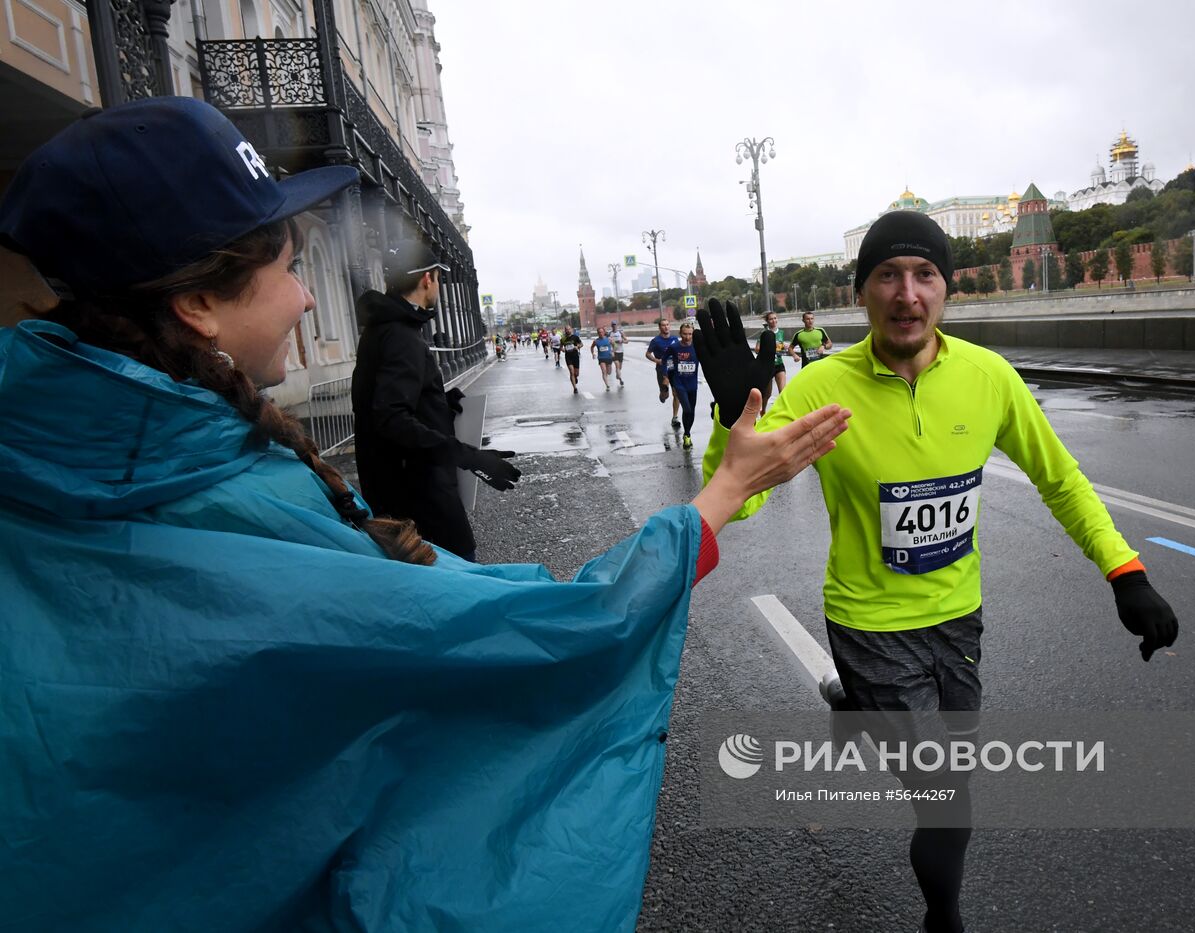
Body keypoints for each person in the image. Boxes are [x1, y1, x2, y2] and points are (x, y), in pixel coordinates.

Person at [0, 97, 851, 931]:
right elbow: (541, 633)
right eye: (289, 270)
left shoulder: (45, 470)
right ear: (198, 307)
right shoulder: (230, 503)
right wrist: (720, 495)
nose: (304, 300)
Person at [695, 210, 1179, 933]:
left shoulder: (989, 377)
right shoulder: (823, 385)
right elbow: (745, 497)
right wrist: (735, 415)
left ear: (945, 290)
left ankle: (855, 704)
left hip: (958, 619)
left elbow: (1061, 479)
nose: (907, 293)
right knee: (949, 796)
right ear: (862, 293)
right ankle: (942, 919)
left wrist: (1125, 571)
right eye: (887, 274)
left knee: (953, 755)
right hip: (870, 623)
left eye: (924, 274)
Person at [351, 237, 519, 562]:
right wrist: (470, 457)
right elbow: (391, 419)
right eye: (439, 279)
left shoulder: (382, 330)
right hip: (420, 500)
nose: (438, 286)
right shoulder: (401, 337)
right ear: (428, 278)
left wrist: (439, 401)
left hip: (396, 495)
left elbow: (384, 402)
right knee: (461, 577)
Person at [662, 322, 702, 449]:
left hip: (692, 384)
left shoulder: (697, 346)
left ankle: (687, 434)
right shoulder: (674, 347)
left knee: (692, 411)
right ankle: (687, 434)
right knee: (687, 409)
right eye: (685, 334)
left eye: (690, 334)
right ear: (680, 334)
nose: (687, 337)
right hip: (679, 384)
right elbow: (664, 360)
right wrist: (667, 376)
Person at [646, 318, 682, 428]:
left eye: (667, 325)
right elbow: (648, 354)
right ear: (659, 327)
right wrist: (657, 360)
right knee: (665, 395)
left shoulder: (675, 339)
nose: (666, 327)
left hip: (674, 369)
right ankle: (662, 394)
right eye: (663, 325)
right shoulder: (656, 341)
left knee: (676, 394)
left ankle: (675, 418)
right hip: (662, 369)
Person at [756, 309, 788, 411]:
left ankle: (782, 412)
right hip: (768, 366)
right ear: (767, 321)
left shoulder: (781, 332)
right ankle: (763, 411)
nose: (773, 321)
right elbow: (757, 349)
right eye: (771, 319)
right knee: (767, 394)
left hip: (779, 364)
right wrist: (769, 347)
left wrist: (785, 346)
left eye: (775, 318)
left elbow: (782, 348)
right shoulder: (764, 333)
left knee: (783, 392)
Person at [561, 324, 584, 393]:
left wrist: (577, 347)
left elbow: (581, 344)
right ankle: (575, 388)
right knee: (571, 371)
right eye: (566, 329)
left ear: (571, 329)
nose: (568, 330)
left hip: (575, 356)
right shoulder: (563, 339)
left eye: (569, 329)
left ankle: (575, 377)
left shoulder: (575, 337)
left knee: (576, 373)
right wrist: (562, 349)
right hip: (568, 357)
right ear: (565, 331)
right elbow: (560, 347)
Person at [591, 325, 615, 390]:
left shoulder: (609, 339)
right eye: (599, 332)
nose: (600, 333)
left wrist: (613, 351)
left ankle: (607, 379)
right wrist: (593, 353)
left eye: (601, 332)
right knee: (604, 371)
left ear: (604, 332)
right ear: (598, 333)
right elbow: (592, 347)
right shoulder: (596, 341)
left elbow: (614, 345)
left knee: (609, 372)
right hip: (601, 358)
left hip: (609, 357)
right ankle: (607, 386)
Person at [609, 319, 629, 386]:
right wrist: (611, 342)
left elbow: (627, 341)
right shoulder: (609, 333)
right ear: (611, 326)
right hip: (614, 352)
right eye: (613, 325)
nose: (614, 326)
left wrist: (622, 341)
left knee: (619, 367)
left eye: (615, 325)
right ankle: (620, 379)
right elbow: (607, 342)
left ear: (617, 325)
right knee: (617, 366)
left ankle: (618, 375)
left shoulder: (620, 333)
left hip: (621, 351)